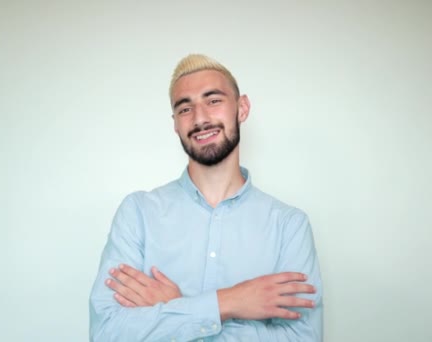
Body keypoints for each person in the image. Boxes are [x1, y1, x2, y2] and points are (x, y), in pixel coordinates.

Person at [89, 54, 323, 341]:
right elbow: (107, 333)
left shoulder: (289, 225)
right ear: (175, 123)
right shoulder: (137, 213)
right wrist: (230, 302)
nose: (200, 118)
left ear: (242, 108)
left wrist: (176, 308)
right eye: (185, 108)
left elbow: (302, 339)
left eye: (213, 101)